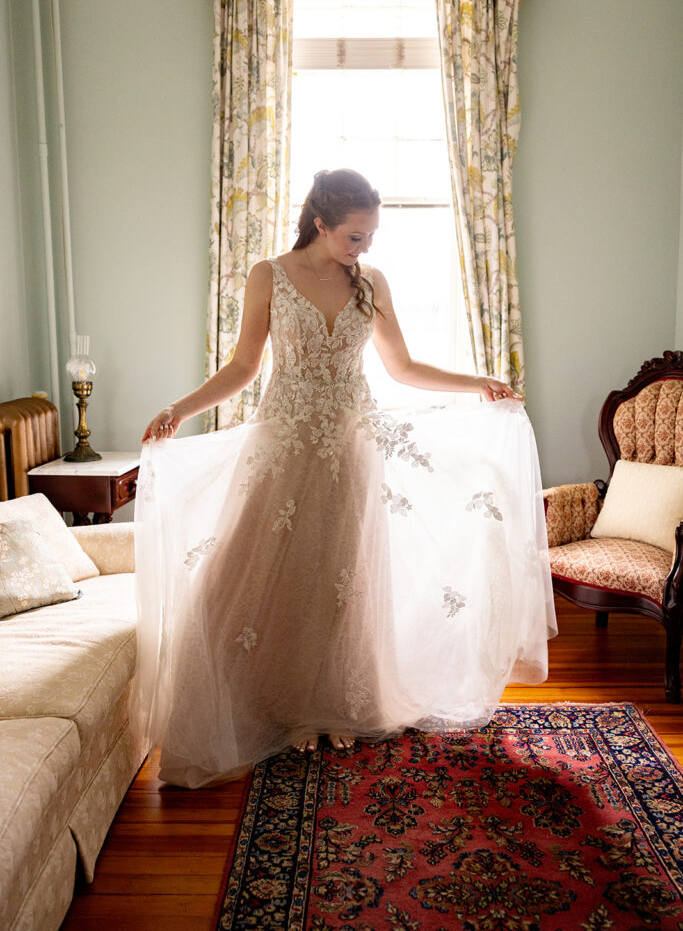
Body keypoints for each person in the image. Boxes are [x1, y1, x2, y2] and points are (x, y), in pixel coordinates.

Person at [134, 168, 556, 789]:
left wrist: (479, 383)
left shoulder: (371, 282)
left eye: (371, 236)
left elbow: (403, 367)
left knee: (340, 579)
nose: (365, 248)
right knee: (254, 573)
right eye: (356, 237)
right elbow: (243, 367)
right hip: (284, 445)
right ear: (321, 224)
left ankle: (330, 704)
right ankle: (263, 706)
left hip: (354, 447)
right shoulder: (268, 275)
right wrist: (179, 409)